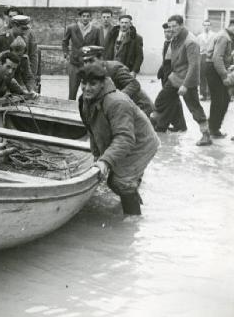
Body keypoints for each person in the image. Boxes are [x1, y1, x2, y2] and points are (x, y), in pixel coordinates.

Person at [77, 63, 159, 216]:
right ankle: (133, 199)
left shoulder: (116, 102)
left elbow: (124, 138)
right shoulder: (85, 100)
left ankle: (133, 220)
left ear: (103, 83)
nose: (87, 88)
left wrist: (105, 161)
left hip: (141, 143)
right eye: (83, 83)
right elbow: (93, 129)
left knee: (120, 182)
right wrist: (97, 155)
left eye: (93, 84)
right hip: (126, 140)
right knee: (116, 181)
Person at [151, 15, 211, 146]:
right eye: (170, 26)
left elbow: (194, 65)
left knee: (194, 108)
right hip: (175, 77)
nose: (171, 29)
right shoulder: (175, 38)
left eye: (174, 26)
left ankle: (206, 135)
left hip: (187, 80)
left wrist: (185, 85)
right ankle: (156, 125)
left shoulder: (191, 42)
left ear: (181, 25)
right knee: (161, 99)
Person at [80, 46, 154, 117]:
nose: (87, 65)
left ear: (101, 59)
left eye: (91, 61)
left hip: (140, 106)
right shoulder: (91, 73)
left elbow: (134, 84)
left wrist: (116, 99)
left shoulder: (114, 68)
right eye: (85, 62)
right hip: (123, 108)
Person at [62, 9, 101, 100]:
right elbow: (65, 42)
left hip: (88, 64)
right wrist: (66, 53)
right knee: (72, 90)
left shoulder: (95, 30)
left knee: (88, 90)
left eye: (88, 16)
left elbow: (98, 46)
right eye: (83, 16)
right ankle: (70, 110)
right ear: (80, 17)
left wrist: (95, 60)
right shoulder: (72, 28)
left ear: (90, 18)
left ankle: (86, 110)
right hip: (74, 63)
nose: (85, 18)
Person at [156, 22, 187, 132]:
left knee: (166, 99)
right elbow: (166, 60)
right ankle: (180, 125)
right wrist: (161, 70)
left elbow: (176, 61)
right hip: (165, 74)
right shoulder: (167, 43)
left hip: (173, 75)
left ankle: (162, 125)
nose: (167, 34)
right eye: (165, 32)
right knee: (173, 100)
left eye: (169, 31)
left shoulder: (176, 43)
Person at [205, 19, 234, 138]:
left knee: (224, 100)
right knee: (219, 101)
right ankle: (213, 129)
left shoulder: (226, 35)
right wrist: (224, 76)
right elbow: (217, 58)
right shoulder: (224, 37)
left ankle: (213, 127)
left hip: (215, 69)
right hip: (214, 70)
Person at [197, 19, 216, 101]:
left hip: (211, 57)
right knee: (202, 76)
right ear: (203, 26)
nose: (206, 26)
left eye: (208, 25)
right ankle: (203, 94)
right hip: (202, 57)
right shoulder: (199, 36)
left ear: (210, 26)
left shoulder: (215, 35)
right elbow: (197, 48)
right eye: (205, 25)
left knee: (211, 76)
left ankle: (210, 94)